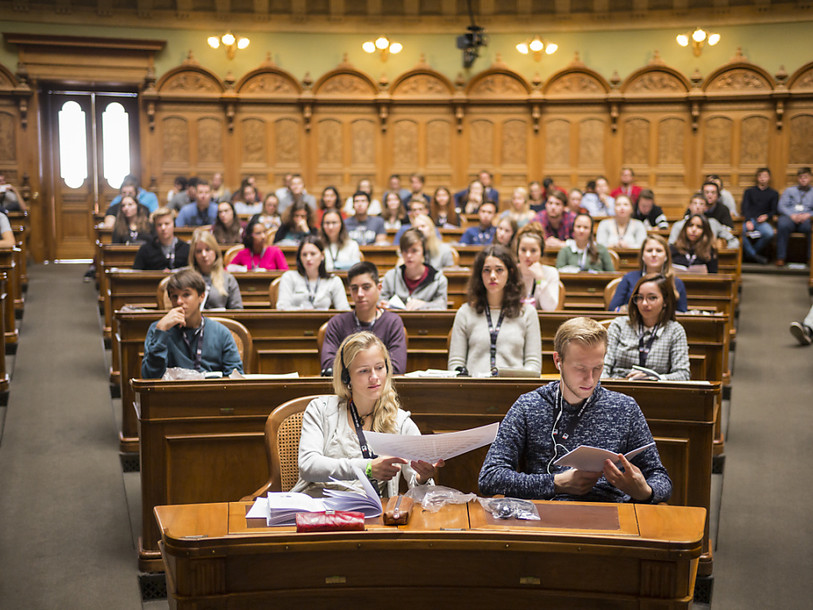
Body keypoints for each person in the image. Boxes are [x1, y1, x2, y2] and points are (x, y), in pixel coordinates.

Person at [478, 316, 672, 503]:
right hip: (545, 516)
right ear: (558, 361)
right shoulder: (528, 406)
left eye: (597, 368)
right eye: (580, 368)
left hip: (609, 513)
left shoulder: (625, 408)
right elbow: (490, 477)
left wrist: (645, 491)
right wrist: (555, 483)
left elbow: (660, 478)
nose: (590, 379)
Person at [292, 331, 441, 498]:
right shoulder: (320, 409)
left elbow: (421, 490)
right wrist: (368, 468)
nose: (374, 377)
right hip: (318, 511)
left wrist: (423, 477)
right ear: (346, 377)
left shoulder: (400, 422)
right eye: (364, 371)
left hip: (369, 517)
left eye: (379, 368)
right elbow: (308, 466)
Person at [447, 245, 541, 376]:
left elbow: (534, 365)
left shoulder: (527, 313)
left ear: (511, 272)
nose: (492, 276)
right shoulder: (465, 312)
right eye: (486, 270)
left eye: (499, 270)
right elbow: (455, 364)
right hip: (473, 389)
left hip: (515, 390)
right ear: (480, 275)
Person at [141, 269, 243, 379]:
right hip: (172, 394)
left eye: (186, 294)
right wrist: (161, 332)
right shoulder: (159, 329)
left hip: (211, 393)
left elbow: (236, 378)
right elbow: (149, 377)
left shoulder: (221, 332)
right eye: (174, 296)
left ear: (201, 296)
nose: (179, 301)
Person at [320, 262, 407, 375]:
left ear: (379, 288)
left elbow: (397, 367)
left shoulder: (393, 322)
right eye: (355, 288)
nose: (360, 294)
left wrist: (356, 370)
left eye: (366, 287)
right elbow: (328, 365)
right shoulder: (337, 323)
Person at [603, 274, 690, 381]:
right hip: (618, 387)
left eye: (652, 298)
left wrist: (654, 379)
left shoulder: (675, 330)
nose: (644, 303)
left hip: (657, 391)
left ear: (665, 302)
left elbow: (683, 374)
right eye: (640, 297)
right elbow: (604, 366)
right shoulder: (619, 325)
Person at [608, 235, 688, 313]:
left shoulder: (676, 282)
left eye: (659, 251)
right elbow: (613, 309)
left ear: (666, 256)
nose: (654, 254)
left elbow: (682, 314)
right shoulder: (628, 278)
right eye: (649, 250)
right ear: (642, 256)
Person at [276, 235, 350, 311]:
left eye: (313, 254)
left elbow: (344, 310)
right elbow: (282, 308)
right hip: (294, 321)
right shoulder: (289, 277)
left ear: (322, 256)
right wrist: (303, 311)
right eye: (304, 255)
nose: (308, 258)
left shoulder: (334, 281)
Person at [380, 228, 448, 310]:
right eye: (405, 251)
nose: (409, 255)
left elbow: (442, 306)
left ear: (423, 252)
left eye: (414, 251)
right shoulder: (390, 276)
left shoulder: (439, 279)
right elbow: (380, 301)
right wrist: (385, 305)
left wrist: (424, 305)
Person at [188, 230, 243, 310]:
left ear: (215, 251)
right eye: (199, 251)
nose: (204, 255)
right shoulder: (186, 278)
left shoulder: (228, 279)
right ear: (194, 255)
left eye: (208, 249)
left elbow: (237, 310)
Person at [515, 223, 560, 311]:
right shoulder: (511, 272)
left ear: (541, 253)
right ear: (517, 251)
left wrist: (540, 278)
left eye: (533, 250)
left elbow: (550, 308)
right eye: (523, 250)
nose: (528, 255)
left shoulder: (551, 272)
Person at [669, 192, 738, 249]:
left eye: (701, 204)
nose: (698, 207)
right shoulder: (679, 225)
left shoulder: (713, 223)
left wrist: (722, 253)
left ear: (706, 208)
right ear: (689, 206)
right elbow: (670, 245)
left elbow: (734, 240)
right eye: (695, 203)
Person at [776, 166, 813, 267]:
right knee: (782, 224)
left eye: (805, 177)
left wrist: (808, 215)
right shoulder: (789, 191)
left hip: (806, 219)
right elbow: (781, 206)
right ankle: (781, 257)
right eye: (801, 177)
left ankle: (811, 258)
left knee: (812, 228)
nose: (803, 179)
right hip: (790, 218)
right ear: (798, 178)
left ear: (810, 178)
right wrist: (791, 215)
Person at [740, 167, 778, 264]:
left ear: (769, 178)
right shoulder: (749, 192)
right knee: (739, 232)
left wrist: (767, 216)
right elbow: (745, 208)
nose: (762, 178)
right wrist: (748, 220)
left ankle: (750, 255)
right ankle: (754, 256)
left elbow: (774, 211)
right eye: (760, 176)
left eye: (765, 176)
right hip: (749, 219)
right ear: (757, 178)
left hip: (763, 221)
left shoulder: (773, 193)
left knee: (769, 233)